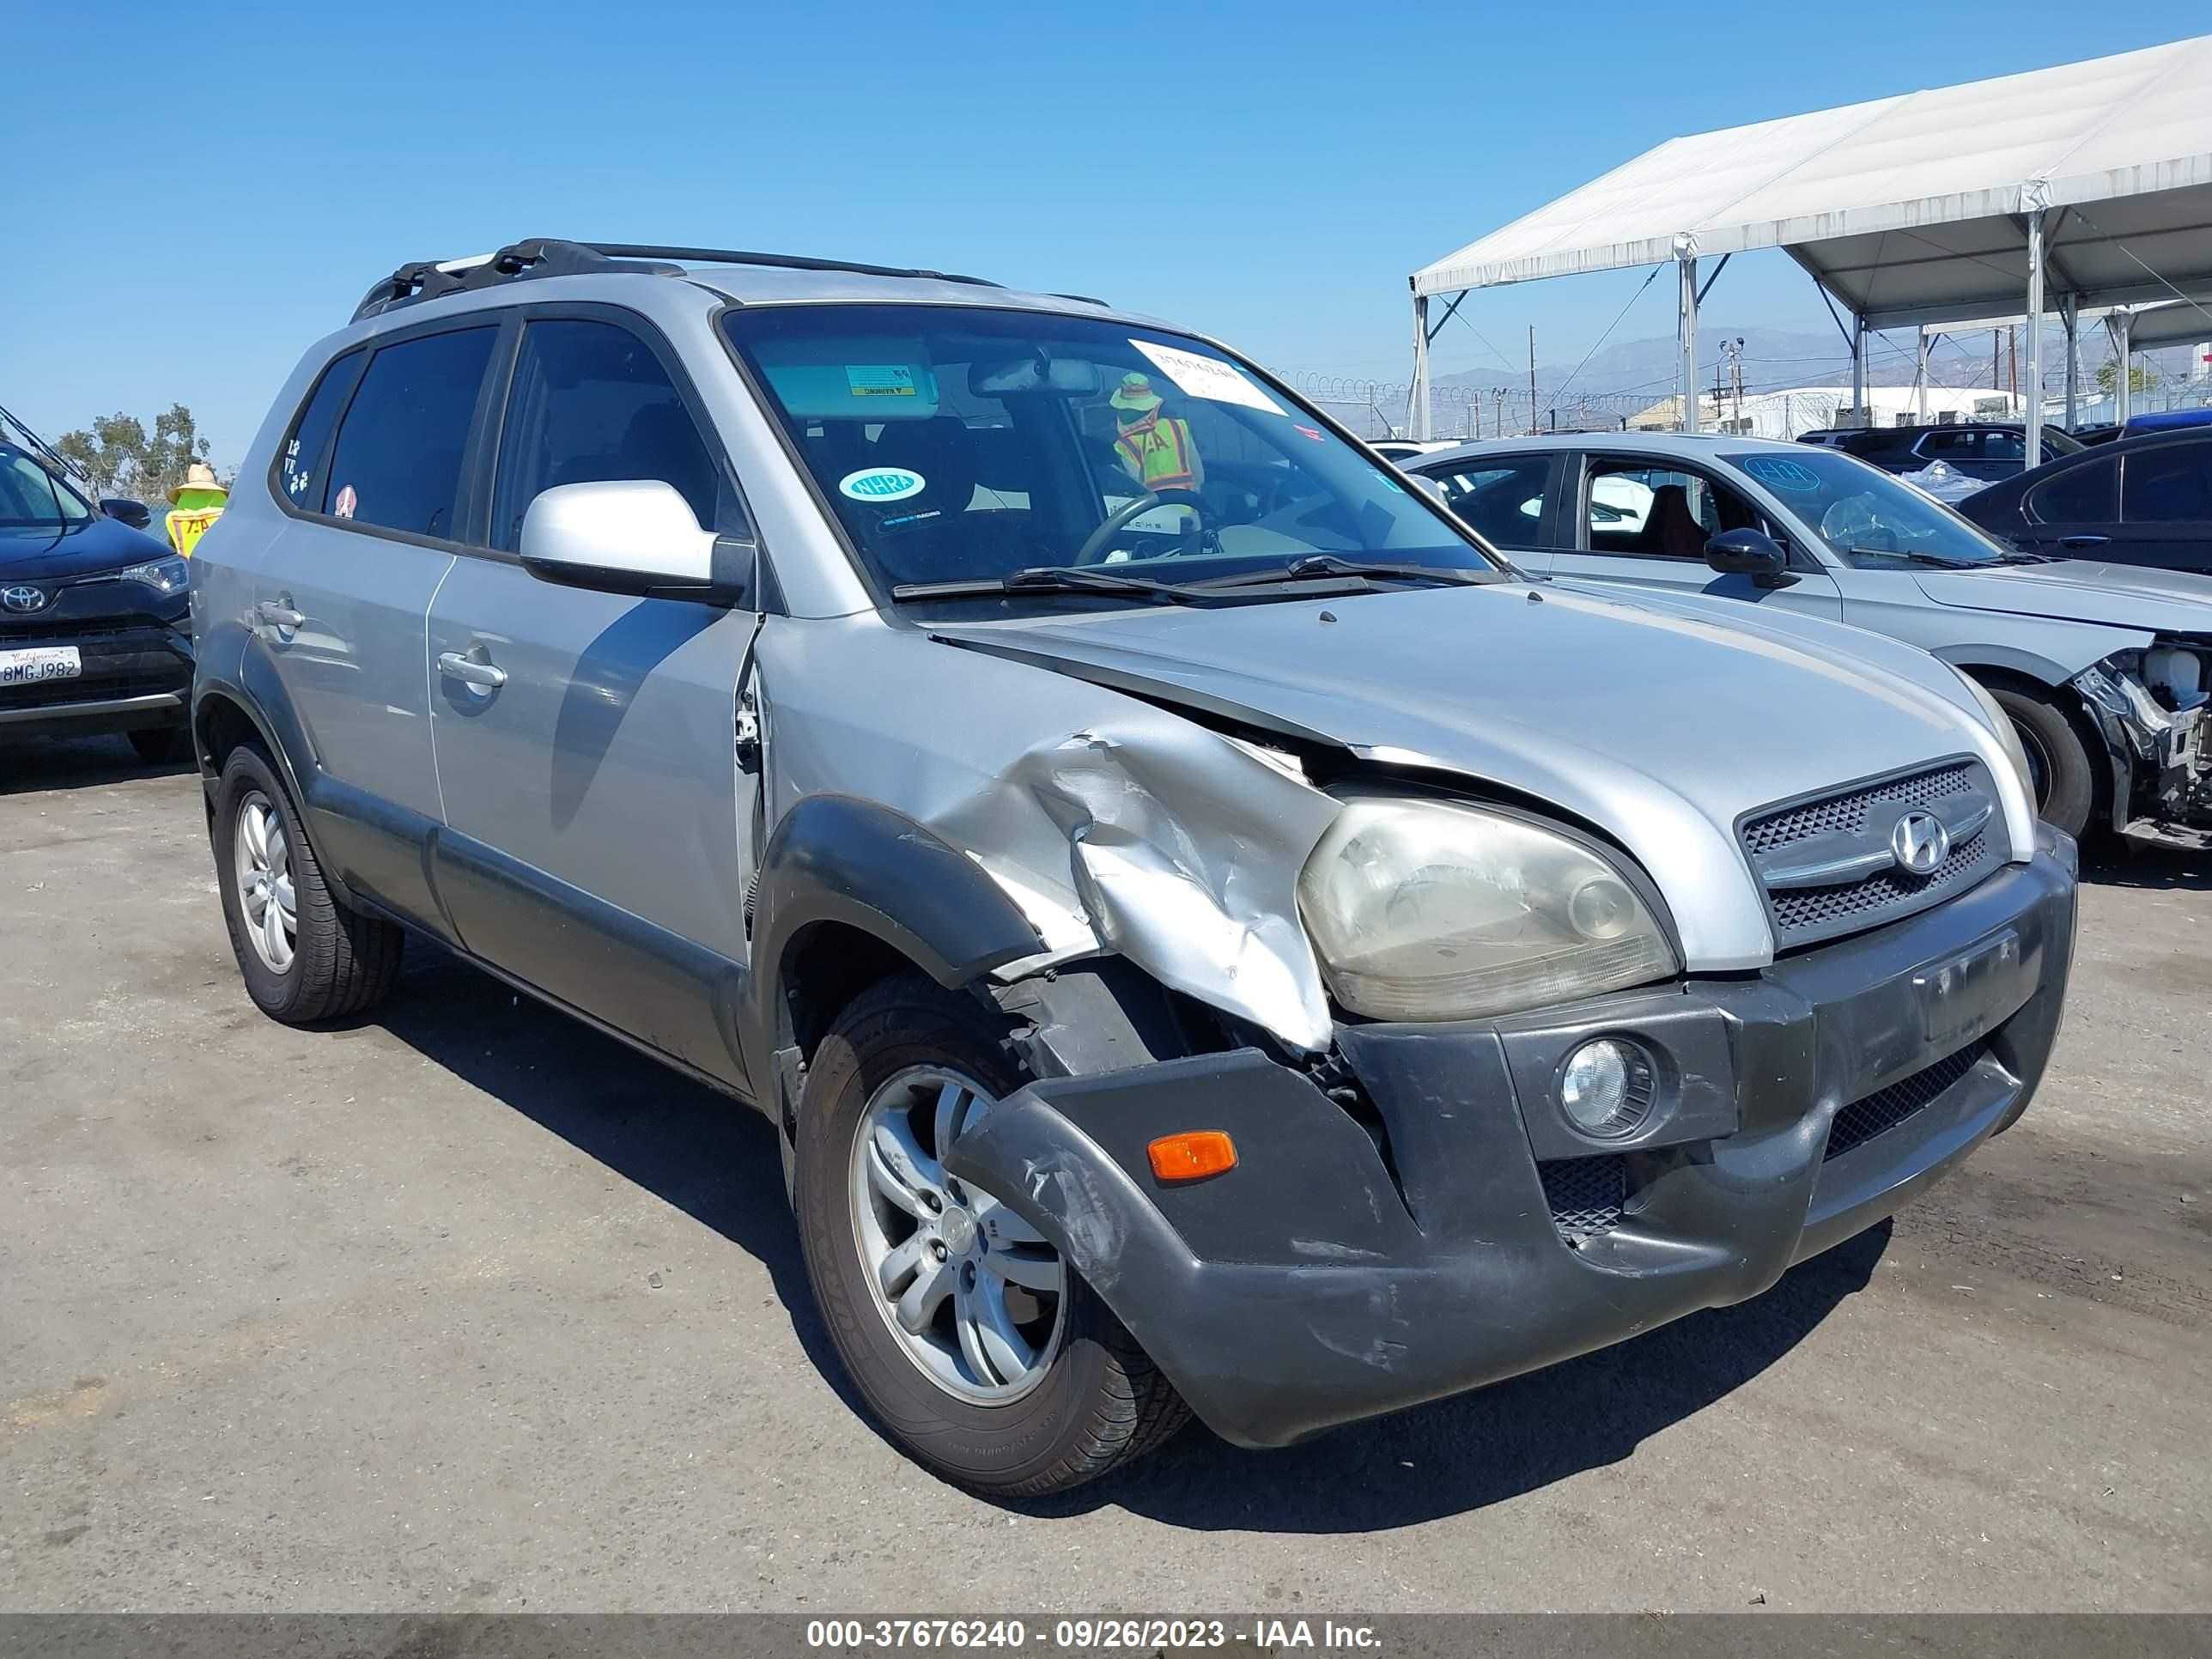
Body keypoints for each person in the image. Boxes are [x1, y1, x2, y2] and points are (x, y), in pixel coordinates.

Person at [1108, 373, 1204, 497]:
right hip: (1189, 509)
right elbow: (1199, 477)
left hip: (1154, 513)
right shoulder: (1179, 427)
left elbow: (1135, 491)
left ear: (1124, 409)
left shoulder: (1126, 445)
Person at [165, 460, 228, 557]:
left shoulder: (175, 518)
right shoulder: (224, 514)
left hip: (188, 568)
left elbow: (172, 546)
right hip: (219, 567)